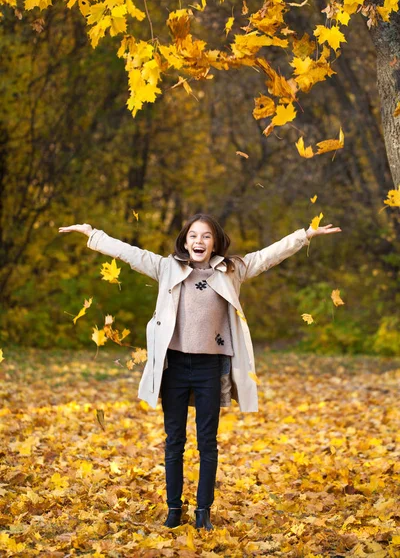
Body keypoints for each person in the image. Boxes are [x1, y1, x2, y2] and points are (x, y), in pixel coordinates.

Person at [59, 214, 341, 530]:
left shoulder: (232, 270)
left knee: (207, 442)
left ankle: (203, 512)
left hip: (210, 368)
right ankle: (173, 509)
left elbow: (268, 256)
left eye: (206, 236)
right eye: (193, 235)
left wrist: (304, 235)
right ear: (185, 241)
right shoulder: (167, 268)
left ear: (215, 243)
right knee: (174, 440)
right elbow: (129, 253)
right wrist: (93, 233)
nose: (199, 241)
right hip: (175, 367)